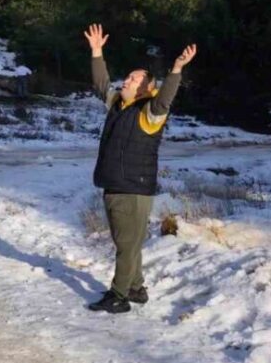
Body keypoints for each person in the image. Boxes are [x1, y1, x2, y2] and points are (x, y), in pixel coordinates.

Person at [83, 24, 196, 314]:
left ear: (147, 87)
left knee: (126, 246)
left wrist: (176, 70)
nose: (127, 80)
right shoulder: (119, 104)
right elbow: (101, 84)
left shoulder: (149, 113)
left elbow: (164, 100)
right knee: (129, 243)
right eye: (128, 76)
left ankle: (118, 296)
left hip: (131, 188)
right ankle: (135, 287)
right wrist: (97, 52)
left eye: (134, 79)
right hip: (117, 184)